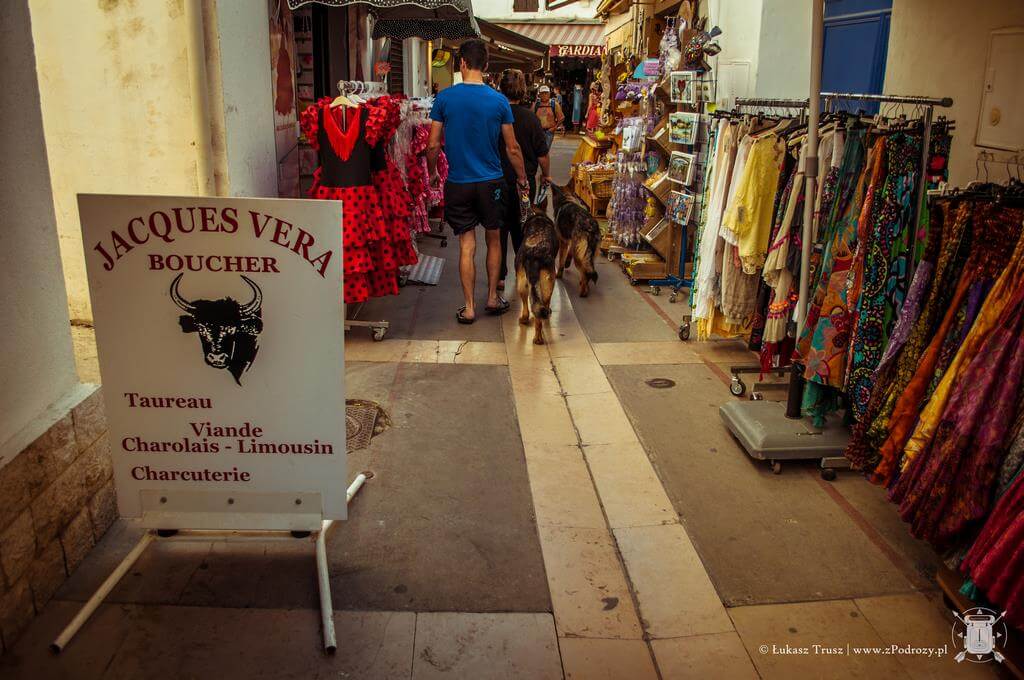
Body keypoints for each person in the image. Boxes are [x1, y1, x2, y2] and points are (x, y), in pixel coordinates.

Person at [427, 39, 528, 324]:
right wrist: (522, 178)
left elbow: (432, 144)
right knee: (494, 238)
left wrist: (432, 172)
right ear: (485, 65)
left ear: (461, 63)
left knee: (466, 244)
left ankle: (469, 308)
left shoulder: (444, 98)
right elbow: (512, 148)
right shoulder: (499, 101)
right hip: (491, 183)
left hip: (458, 182)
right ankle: (493, 298)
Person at [497, 69, 551, 290]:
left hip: (498, 182)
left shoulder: (496, 117)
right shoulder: (531, 118)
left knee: (499, 231)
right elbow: (542, 154)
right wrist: (546, 174)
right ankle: (522, 273)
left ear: (501, 89)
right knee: (523, 230)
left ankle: (499, 277)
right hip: (524, 185)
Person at [533, 85, 563, 152]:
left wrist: (555, 127)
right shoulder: (536, 104)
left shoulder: (554, 104)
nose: (544, 95)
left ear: (549, 94)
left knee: (544, 151)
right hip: (538, 132)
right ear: (539, 94)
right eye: (542, 93)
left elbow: (561, 117)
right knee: (537, 151)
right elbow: (531, 117)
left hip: (549, 131)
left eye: (546, 93)